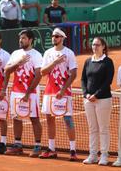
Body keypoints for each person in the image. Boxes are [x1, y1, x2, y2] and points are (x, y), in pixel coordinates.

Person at [0, 29, 43, 157]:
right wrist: (18, 63)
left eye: (23, 38)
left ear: (30, 40)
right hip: (16, 92)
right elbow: (6, 71)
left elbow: (38, 75)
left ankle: (37, 146)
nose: (21, 40)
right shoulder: (15, 54)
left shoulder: (36, 55)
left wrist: (28, 93)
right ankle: (18, 145)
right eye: (20, 38)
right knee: (16, 118)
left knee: (34, 119)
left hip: (31, 93)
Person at [40, 28, 78, 161]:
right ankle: (51, 149)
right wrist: (55, 62)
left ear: (62, 38)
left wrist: (62, 90)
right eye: (52, 36)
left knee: (68, 121)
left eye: (56, 36)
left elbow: (73, 74)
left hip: (64, 93)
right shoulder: (47, 53)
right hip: (49, 92)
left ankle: (73, 150)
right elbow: (43, 72)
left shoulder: (69, 53)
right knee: (49, 119)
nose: (54, 38)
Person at [81, 37, 114, 165]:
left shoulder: (108, 62)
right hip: (89, 100)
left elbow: (108, 81)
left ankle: (104, 155)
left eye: (98, 45)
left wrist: (96, 94)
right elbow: (83, 79)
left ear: (103, 47)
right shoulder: (88, 61)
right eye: (93, 44)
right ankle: (93, 155)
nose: (95, 47)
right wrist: (86, 94)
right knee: (92, 128)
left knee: (103, 128)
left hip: (103, 100)